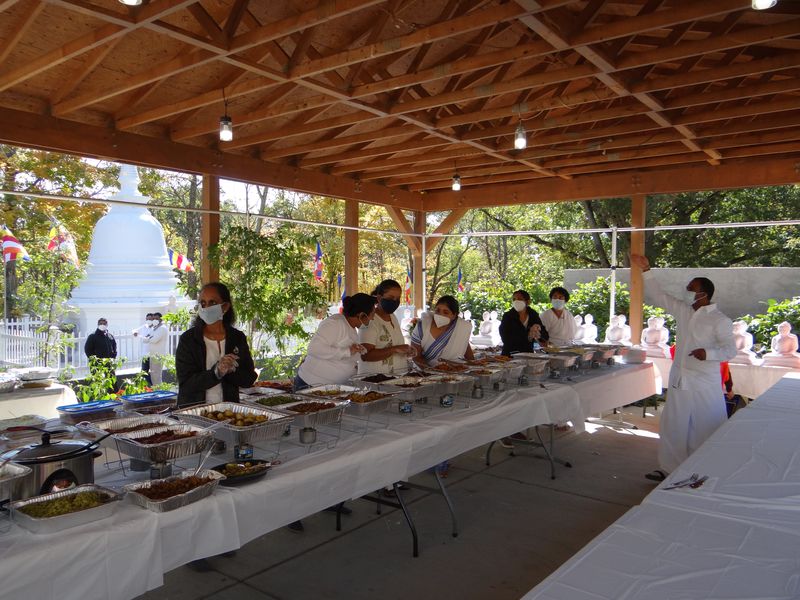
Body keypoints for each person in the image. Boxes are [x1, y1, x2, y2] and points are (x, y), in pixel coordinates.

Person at [631, 254, 736, 481]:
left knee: (705, 424)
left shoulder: (720, 320)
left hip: (704, 381)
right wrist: (646, 270)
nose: (687, 291)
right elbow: (659, 296)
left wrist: (708, 353)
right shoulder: (684, 311)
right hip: (680, 377)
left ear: (703, 293)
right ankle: (669, 468)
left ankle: (704, 469)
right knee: (673, 423)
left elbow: (730, 350)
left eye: (691, 288)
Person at [175, 282, 257, 407]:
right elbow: (186, 384)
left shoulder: (237, 338)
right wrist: (216, 372)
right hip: (194, 412)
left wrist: (231, 370)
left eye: (212, 303)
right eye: (203, 303)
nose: (206, 307)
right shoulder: (189, 340)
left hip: (228, 412)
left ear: (225, 307)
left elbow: (248, 379)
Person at [295, 293, 375, 390]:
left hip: (331, 387)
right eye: (371, 315)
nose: (372, 318)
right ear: (361, 315)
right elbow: (315, 349)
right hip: (312, 384)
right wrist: (348, 351)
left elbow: (342, 351)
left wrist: (356, 351)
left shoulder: (351, 327)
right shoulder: (335, 323)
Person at [359, 280, 414, 375]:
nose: (394, 301)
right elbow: (366, 355)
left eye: (398, 298)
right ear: (379, 298)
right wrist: (394, 349)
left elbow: (395, 344)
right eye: (391, 297)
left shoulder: (393, 316)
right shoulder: (370, 320)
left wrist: (408, 350)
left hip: (397, 377)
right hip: (375, 379)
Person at [410, 295, 475, 367]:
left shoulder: (461, 328)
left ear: (454, 315)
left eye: (445, 312)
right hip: (424, 371)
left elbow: (466, 349)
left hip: (455, 371)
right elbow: (416, 356)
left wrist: (475, 367)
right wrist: (431, 371)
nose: (440, 315)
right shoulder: (422, 326)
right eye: (437, 310)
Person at [498, 289, 549, 355]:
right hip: (510, 354)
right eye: (514, 299)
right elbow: (506, 338)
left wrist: (538, 332)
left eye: (520, 299)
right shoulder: (508, 316)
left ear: (528, 302)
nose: (516, 301)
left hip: (527, 354)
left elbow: (545, 336)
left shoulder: (533, 315)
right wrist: (528, 336)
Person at [143, 312, 169, 386]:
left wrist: (149, 338)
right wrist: (149, 338)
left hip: (158, 356)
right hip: (152, 355)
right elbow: (144, 339)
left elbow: (154, 340)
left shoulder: (162, 328)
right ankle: (156, 390)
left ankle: (159, 390)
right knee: (153, 376)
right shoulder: (154, 328)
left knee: (157, 376)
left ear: (161, 319)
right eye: (153, 319)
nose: (154, 320)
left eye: (156, 319)